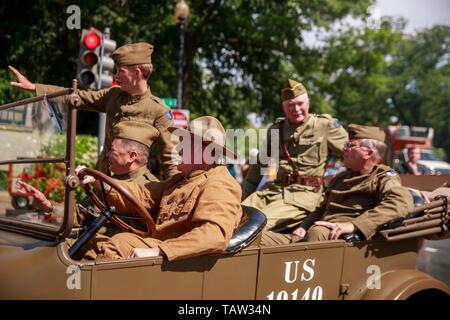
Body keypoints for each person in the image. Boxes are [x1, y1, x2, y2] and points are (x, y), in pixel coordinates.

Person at [78, 116, 243, 261]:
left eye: (185, 144)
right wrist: (100, 183)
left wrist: (159, 251)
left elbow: (213, 235)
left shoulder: (220, 183)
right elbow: (144, 194)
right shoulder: (181, 180)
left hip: (179, 260)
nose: (178, 149)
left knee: (116, 246)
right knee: (93, 241)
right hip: (165, 253)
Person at [8, 42, 178, 180]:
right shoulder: (113, 95)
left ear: (137, 72)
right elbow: (77, 97)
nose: (116, 77)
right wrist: (35, 87)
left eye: (121, 72)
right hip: (100, 182)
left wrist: (173, 201)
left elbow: (171, 160)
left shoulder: (159, 111)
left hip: (131, 192)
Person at [242, 79, 348, 243]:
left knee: (252, 225)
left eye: (300, 103)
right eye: (290, 105)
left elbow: (351, 156)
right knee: (234, 215)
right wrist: (244, 191)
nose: (296, 109)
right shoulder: (276, 129)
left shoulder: (324, 125)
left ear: (308, 103)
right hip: (272, 190)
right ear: (283, 107)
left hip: (304, 195)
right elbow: (259, 164)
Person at [16, 121, 158, 231]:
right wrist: (48, 205)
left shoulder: (151, 188)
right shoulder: (107, 181)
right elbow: (81, 215)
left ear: (131, 156)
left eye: (112, 151)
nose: (107, 155)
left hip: (116, 257)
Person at [290, 124, 413, 242]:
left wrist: (355, 225)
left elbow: (401, 202)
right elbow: (321, 209)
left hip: (337, 238)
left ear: (368, 153)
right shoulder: (340, 177)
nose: (344, 149)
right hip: (317, 231)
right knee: (271, 239)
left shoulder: (383, 176)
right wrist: (304, 226)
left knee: (316, 233)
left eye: (350, 145)